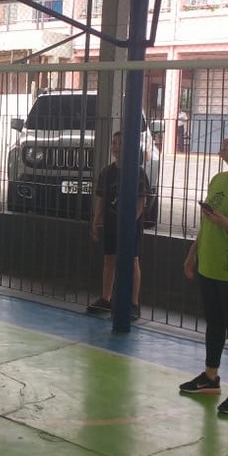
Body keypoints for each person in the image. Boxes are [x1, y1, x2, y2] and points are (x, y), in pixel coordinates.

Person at [180, 136, 228, 413]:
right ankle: (211, 377)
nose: (224, 143)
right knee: (215, 323)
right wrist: (192, 254)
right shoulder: (218, 180)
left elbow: (219, 222)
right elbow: (205, 224)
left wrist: (225, 222)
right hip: (209, 266)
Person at [86, 131, 150, 321]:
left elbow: (141, 201)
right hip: (111, 223)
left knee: (133, 260)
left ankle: (133, 303)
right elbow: (100, 198)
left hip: (130, 226)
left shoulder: (137, 172)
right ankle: (106, 299)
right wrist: (96, 221)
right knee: (109, 259)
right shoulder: (107, 172)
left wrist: (130, 223)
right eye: (113, 143)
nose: (115, 147)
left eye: (120, 143)